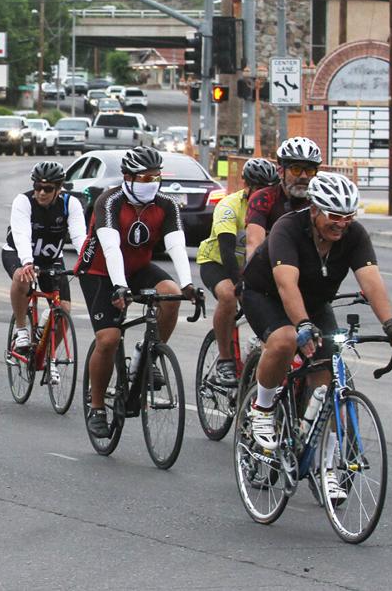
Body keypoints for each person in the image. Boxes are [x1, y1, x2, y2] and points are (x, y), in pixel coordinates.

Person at [241, 172, 392, 499]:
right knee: (285, 339)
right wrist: (302, 324)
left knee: (328, 379)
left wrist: (391, 324)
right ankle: (262, 410)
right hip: (266, 295)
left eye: (349, 216)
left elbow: (371, 280)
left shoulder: (354, 235)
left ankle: (327, 467)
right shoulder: (287, 228)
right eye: (334, 215)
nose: (342, 224)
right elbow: (285, 285)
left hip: (315, 303)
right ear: (315, 209)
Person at [74, 145, 195, 439]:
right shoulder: (110, 201)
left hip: (138, 267)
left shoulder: (166, 204)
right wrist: (120, 287)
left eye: (155, 178)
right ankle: (98, 406)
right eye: (143, 179)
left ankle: (148, 354)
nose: (150, 184)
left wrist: (189, 284)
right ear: (127, 178)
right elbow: (111, 247)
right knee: (109, 338)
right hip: (100, 271)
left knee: (171, 293)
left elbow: (177, 245)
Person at [195, 156, 280, 386]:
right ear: (247, 186)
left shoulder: (273, 208)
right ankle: (225, 361)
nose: (266, 193)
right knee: (229, 295)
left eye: (270, 189)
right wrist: (241, 284)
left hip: (252, 267)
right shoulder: (229, 206)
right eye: (261, 188)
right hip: (218, 262)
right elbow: (226, 248)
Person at [4, 161, 87, 353]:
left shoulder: (70, 204)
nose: (41, 193)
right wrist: (27, 262)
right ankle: (22, 329)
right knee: (22, 277)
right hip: (17, 253)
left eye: (47, 189)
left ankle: (49, 357)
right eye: (37, 187)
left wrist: (85, 262)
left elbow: (79, 236)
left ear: (58, 188)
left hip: (51, 258)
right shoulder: (23, 201)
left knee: (63, 310)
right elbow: (22, 234)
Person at [245, 137, 321, 261]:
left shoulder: (319, 201)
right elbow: (254, 244)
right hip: (269, 264)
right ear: (281, 171)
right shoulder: (263, 198)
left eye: (309, 170)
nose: (303, 176)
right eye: (296, 169)